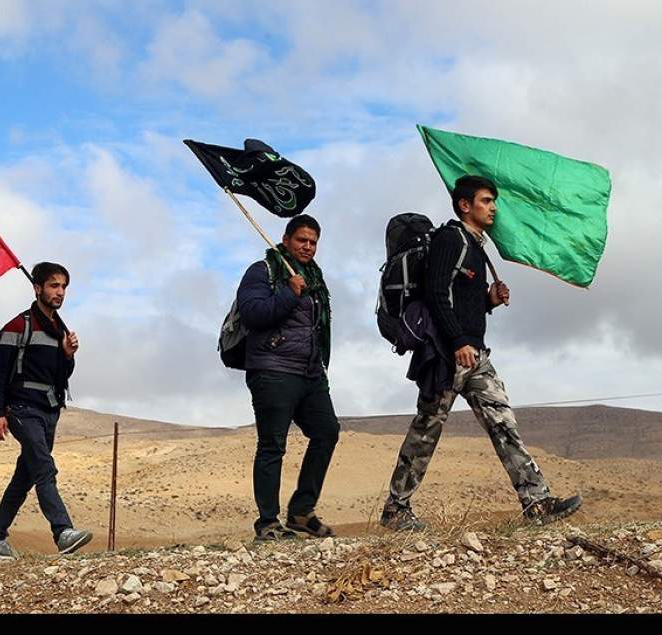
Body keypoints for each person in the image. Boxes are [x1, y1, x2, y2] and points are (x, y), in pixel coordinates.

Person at [381, 175, 583, 531]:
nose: (493, 208)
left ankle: (535, 501)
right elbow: (436, 295)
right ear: (465, 205)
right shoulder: (450, 239)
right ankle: (396, 509)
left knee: (503, 423)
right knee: (426, 431)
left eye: (493, 202)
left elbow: (461, 301)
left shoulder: (476, 247)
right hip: (446, 356)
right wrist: (458, 340)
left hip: (474, 356)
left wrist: (487, 301)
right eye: (487, 201)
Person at [236, 214, 340, 541]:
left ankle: (300, 511)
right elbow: (252, 313)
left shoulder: (314, 277)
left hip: (310, 373)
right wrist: (288, 294)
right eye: (301, 240)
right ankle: (267, 523)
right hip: (272, 369)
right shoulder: (263, 271)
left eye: (313, 242)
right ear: (286, 240)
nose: (307, 246)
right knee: (272, 446)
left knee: (327, 431)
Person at [0, 261, 91, 559]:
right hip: (20, 409)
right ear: (37, 288)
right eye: (54, 285)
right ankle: (63, 531)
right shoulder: (19, 326)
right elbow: (0, 373)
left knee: (25, 476)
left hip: (48, 411)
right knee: (44, 467)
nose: (60, 292)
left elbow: (59, 377)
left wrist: (67, 356)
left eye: (64, 286)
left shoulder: (60, 331)